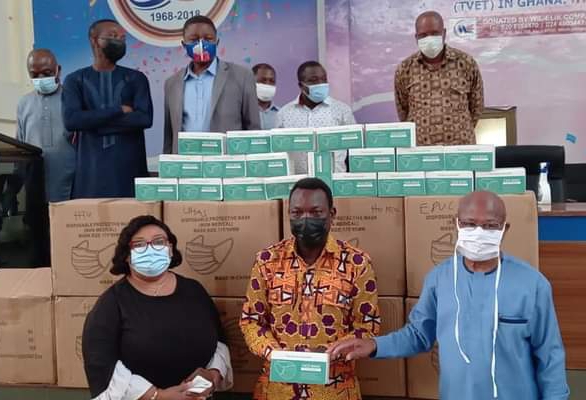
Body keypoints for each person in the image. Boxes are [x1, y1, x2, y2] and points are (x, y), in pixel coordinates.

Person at [328, 191, 570, 400]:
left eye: (490, 226)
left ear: (504, 229)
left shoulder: (532, 284)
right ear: (457, 225)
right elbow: (418, 335)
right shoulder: (440, 279)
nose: (479, 232)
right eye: (470, 224)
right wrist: (374, 345)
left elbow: (550, 356)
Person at [240, 177, 379, 400]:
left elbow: (368, 325)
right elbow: (251, 321)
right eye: (297, 213)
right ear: (289, 215)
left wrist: (331, 352)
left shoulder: (357, 264)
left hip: (335, 391)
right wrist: (274, 353)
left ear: (332, 214)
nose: (306, 220)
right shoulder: (267, 261)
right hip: (277, 390)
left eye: (316, 213)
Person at [83, 215, 233, 400]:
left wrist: (213, 375)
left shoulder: (194, 291)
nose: (150, 249)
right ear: (127, 255)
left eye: (158, 242)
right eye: (139, 244)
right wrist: (158, 395)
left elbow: (219, 341)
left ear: (170, 249)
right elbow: (100, 363)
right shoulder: (112, 303)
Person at [62, 19, 153, 198]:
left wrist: (92, 123)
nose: (119, 41)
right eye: (112, 36)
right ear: (94, 40)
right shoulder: (75, 80)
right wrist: (118, 110)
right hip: (90, 172)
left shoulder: (136, 78)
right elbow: (72, 120)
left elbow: (144, 118)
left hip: (130, 170)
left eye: (122, 38)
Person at [164, 16, 260, 153]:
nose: (201, 44)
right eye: (194, 40)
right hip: (186, 161)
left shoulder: (242, 76)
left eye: (208, 39)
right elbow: (169, 135)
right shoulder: (172, 84)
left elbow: (253, 129)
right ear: (184, 44)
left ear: (217, 42)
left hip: (227, 161)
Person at [394, 11, 484, 145]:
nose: (429, 39)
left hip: (461, 147)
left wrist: (458, 129)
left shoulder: (466, 63)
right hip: (421, 150)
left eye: (434, 33)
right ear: (416, 37)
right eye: (423, 35)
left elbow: (476, 107)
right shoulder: (405, 69)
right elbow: (403, 111)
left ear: (444, 33)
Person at [16, 49, 75, 202]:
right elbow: (20, 145)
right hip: (34, 181)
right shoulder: (24, 103)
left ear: (58, 70)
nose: (41, 78)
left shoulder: (73, 100)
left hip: (71, 182)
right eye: (34, 75)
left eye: (47, 73)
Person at [277, 61, 356, 174]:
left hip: (333, 180)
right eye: (313, 80)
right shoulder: (284, 114)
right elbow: (278, 150)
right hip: (298, 180)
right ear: (301, 85)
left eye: (324, 79)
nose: (320, 83)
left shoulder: (342, 110)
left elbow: (354, 147)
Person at [253, 63, 279, 130]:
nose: (268, 84)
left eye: (272, 81)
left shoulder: (281, 114)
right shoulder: (242, 113)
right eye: (263, 80)